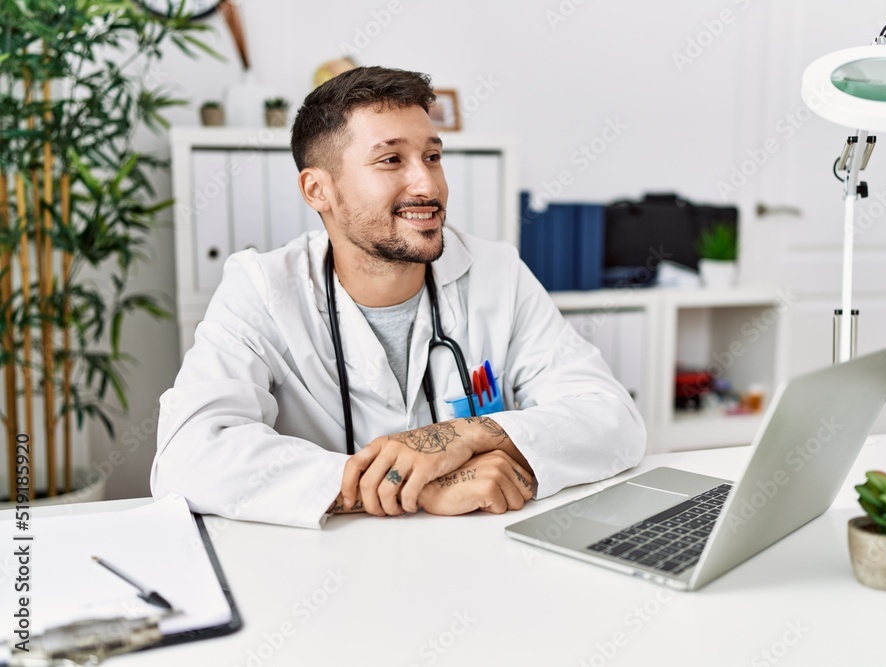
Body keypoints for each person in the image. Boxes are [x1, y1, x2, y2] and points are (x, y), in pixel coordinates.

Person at [151, 66, 646, 528]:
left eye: (432, 156)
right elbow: (188, 455)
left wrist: (465, 434)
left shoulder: (497, 273)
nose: (427, 184)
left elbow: (613, 419)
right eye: (391, 160)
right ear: (318, 189)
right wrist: (407, 486)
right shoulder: (262, 287)